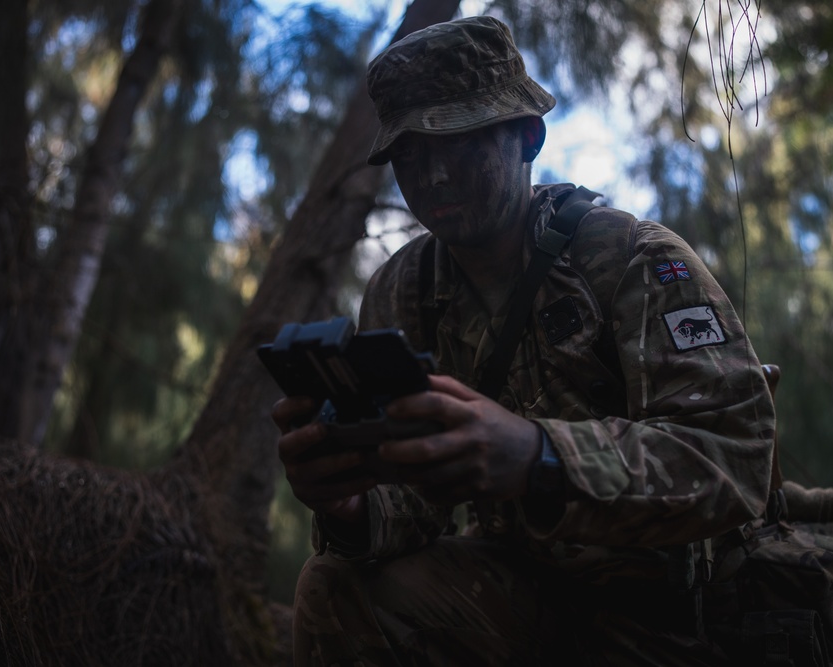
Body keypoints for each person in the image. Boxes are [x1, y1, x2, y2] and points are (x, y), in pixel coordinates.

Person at [273, 15, 776, 666]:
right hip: (517, 600)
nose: (435, 176)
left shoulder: (629, 260)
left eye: (459, 143)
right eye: (411, 156)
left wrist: (540, 457)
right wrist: (350, 509)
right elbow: (415, 501)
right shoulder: (402, 292)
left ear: (526, 138)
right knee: (333, 582)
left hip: (676, 616)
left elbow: (736, 459)